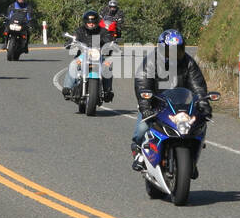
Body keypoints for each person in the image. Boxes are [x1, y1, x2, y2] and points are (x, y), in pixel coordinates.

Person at [131, 29, 209, 172]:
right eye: (170, 50)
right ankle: (139, 152)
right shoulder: (150, 61)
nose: (174, 54)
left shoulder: (188, 62)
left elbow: (197, 85)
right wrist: (145, 106)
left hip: (181, 103)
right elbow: (142, 83)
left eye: (178, 50)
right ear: (161, 49)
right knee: (142, 129)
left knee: (198, 125)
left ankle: (190, 157)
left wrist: (203, 103)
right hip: (155, 102)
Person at [62, 10, 115, 102]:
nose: (91, 24)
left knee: (107, 66)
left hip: (98, 55)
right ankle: (67, 88)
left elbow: (108, 39)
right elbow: (74, 38)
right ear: (85, 22)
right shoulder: (80, 30)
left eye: (93, 22)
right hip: (83, 55)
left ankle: (107, 91)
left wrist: (110, 44)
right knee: (74, 64)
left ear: (97, 22)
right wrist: (70, 43)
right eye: (89, 22)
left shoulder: (103, 31)